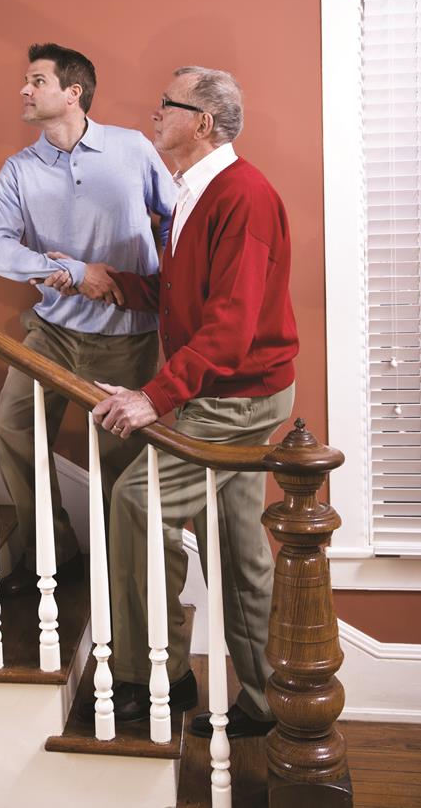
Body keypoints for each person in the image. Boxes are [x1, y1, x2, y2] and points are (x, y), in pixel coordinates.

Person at [47, 66, 299, 737]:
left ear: (202, 122)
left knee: (135, 502)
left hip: (235, 399)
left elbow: (231, 322)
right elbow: (189, 296)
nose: (153, 112)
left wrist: (153, 397)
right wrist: (113, 285)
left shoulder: (240, 194)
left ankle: (153, 675)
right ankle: (274, 703)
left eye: (168, 103)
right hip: (236, 390)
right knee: (237, 548)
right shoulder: (196, 192)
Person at [0, 43, 176, 598]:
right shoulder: (19, 170)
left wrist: (159, 286)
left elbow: (172, 220)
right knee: (11, 426)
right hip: (53, 332)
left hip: (126, 337)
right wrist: (64, 270)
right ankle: (53, 547)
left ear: (73, 92)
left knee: (123, 465)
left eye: (36, 80)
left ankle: (124, 584)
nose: (24, 89)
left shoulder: (132, 148)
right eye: (25, 80)